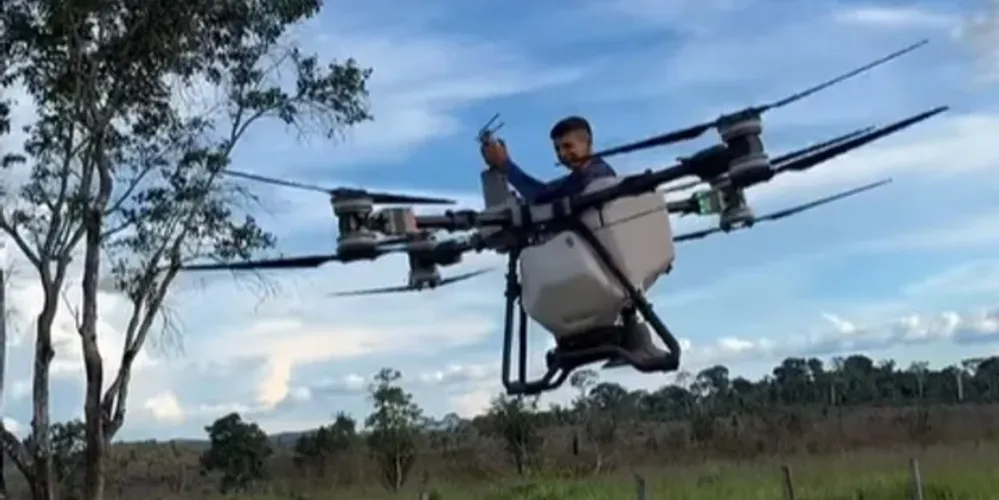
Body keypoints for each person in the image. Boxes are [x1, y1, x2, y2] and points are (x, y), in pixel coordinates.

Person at [480, 115, 665, 368]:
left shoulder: (596, 176)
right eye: (558, 149)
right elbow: (547, 194)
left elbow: (545, 197)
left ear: (588, 143)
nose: (563, 154)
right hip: (587, 266)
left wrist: (506, 166)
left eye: (568, 146)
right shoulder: (578, 180)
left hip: (595, 264)